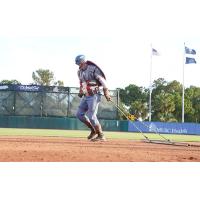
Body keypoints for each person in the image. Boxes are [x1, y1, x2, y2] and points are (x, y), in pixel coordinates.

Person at [75, 55, 111, 142]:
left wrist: (106, 92)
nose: (78, 65)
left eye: (79, 63)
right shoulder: (79, 72)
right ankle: (93, 130)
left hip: (95, 95)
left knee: (91, 116)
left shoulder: (93, 69)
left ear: (83, 62)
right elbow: (82, 83)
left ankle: (101, 135)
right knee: (79, 114)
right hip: (86, 96)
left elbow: (102, 81)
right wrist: (81, 91)